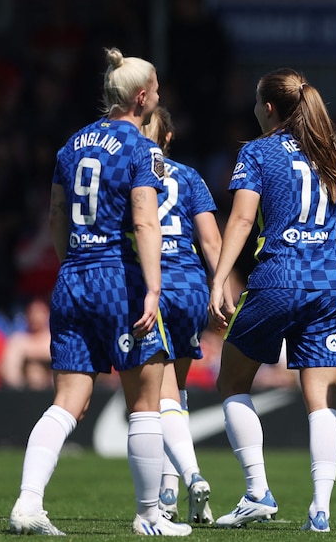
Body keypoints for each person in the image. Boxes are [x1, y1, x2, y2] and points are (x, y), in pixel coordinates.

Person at [8, 47, 192, 536]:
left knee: (68, 400)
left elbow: (54, 215)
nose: (159, 94)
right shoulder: (141, 149)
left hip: (72, 276)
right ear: (140, 97)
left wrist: (71, 259)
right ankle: (150, 515)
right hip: (117, 278)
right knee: (145, 399)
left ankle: (27, 504)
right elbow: (145, 221)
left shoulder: (71, 145)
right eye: (155, 88)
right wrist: (153, 289)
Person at [208, 68, 336, 533]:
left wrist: (219, 279)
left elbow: (239, 220)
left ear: (268, 108)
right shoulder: (329, 153)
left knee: (233, 383)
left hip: (276, 278)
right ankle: (321, 509)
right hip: (328, 284)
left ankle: (258, 491)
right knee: (321, 401)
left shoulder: (256, 152)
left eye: (257, 102)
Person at [139, 106, 233, 524]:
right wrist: (222, 288)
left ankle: (187, 477)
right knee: (175, 388)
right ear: (170, 139)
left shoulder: (129, 174)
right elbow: (212, 241)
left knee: (154, 394)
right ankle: (170, 492)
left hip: (152, 286)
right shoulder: (190, 177)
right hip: (192, 287)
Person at [0, 296, 52, 390]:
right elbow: (9, 372)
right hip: (22, 391)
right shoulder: (18, 340)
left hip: (50, 391)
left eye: (40, 312)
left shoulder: (55, 340)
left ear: (47, 314)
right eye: (32, 312)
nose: (36, 316)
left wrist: (33, 354)